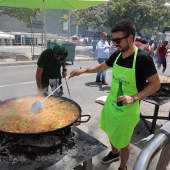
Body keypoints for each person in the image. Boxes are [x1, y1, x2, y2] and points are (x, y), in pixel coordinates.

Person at [69, 19, 160, 170]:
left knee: (124, 142)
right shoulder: (117, 55)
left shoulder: (143, 59)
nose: (115, 43)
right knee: (111, 131)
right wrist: (83, 71)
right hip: (111, 104)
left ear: (130, 38)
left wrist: (134, 97)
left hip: (127, 110)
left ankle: (123, 167)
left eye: (118, 40)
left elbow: (155, 84)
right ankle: (113, 152)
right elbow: (101, 66)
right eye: (113, 40)